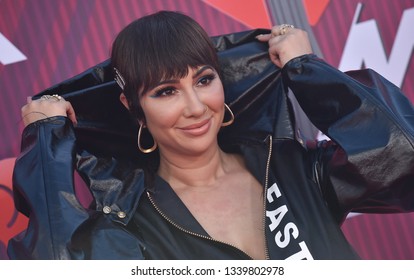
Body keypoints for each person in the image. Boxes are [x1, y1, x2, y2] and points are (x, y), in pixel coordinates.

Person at [7, 10, 414, 260]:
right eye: (166, 91)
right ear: (134, 108)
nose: (196, 107)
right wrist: (47, 144)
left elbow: (403, 159)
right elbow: (55, 264)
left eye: (204, 80)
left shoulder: (295, 167)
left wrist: (307, 68)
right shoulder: (128, 225)